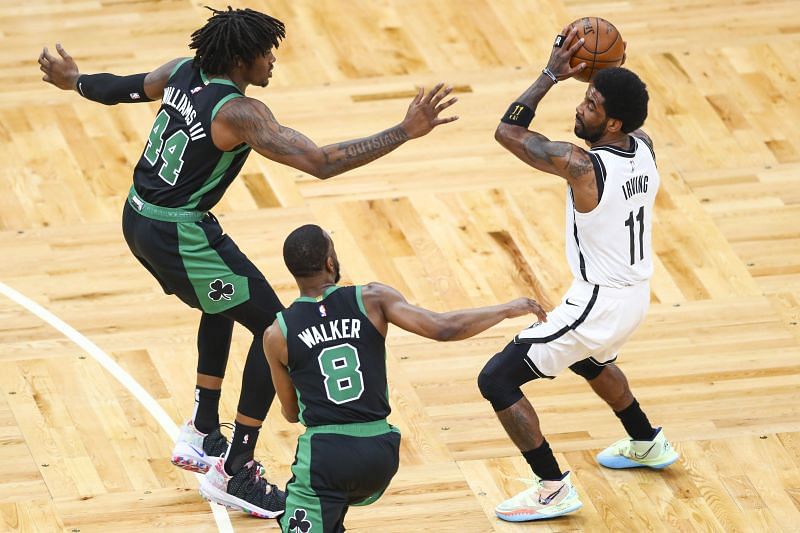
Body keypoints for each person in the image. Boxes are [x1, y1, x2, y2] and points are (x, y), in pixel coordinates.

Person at [38, 6, 458, 518]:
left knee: (225, 298)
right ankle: (236, 468)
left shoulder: (180, 71)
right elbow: (321, 163)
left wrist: (75, 81)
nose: (273, 59)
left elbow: (123, 87)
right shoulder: (240, 113)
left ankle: (202, 428)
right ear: (241, 58)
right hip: (179, 233)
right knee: (274, 328)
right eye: (266, 51)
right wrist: (403, 131)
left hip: (141, 214)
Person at [477, 26, 679, 522]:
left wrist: (550, 75)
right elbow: (629, 100)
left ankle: (551, 486)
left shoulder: (583, 166)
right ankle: (647, 439)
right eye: (584, 98)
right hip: (633, 296)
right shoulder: (645, 144)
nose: (580, 108)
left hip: (598, 302)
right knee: (589, 360)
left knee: (497, 379)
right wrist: (599, 71)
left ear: (612, 124)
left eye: (590, 104)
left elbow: (508, 133)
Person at [262, 224, 548, 533]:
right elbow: (443, 328)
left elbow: (291, 413)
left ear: (293, 272)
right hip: (380, 453)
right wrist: (506, 309)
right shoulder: (372, 299)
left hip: (326, 459)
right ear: (330, 263)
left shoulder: (278, 333)